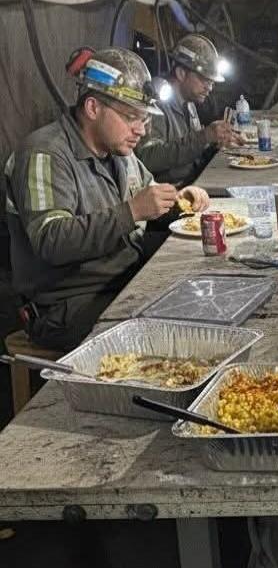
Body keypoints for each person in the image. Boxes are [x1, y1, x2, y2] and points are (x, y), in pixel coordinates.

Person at [4, 48, 209, 351]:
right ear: (92, 107)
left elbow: (148, 202)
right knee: (177, 336)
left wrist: (179, 201)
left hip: (121, 277)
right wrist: (133, 210)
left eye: (143, 119)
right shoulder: (44, 154)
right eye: (130, 117)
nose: (140, 130)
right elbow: (52, 241)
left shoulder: (119, 152)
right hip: (67, 306)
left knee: (202, 285)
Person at [137, 34, 242, 185]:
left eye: (211, 82)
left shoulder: (189, 102)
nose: (209, 87)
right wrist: (203, 137)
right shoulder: (156, 101)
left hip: (192, 184)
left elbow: (191, 155)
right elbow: (148, 158)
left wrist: (215, 143)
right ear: (181, 73)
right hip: (169, 194)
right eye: (204, 79)